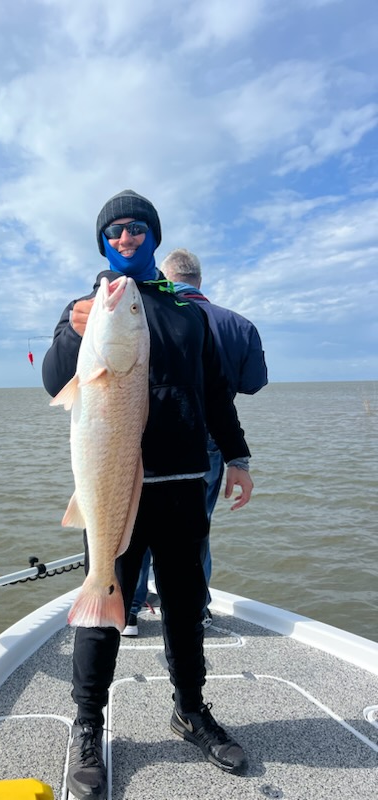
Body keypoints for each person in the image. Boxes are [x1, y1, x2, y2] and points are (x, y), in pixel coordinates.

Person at [42, 189, 254, 799]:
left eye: (137, 229)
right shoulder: (86, 309)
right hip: (112, 491)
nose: (126, 238)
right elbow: (57, 379)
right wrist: (72, 331)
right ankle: (87, 725)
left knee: (186, 607)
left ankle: (190, 709)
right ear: (104, 244)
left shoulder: (185, 310)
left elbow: (216, 391)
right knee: (103, 606)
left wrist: (235, 457)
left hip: (184, 484)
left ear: (155, 238)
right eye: (115, 232)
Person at [160, 249, 268, 626]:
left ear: (165, 275)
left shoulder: (156, 316)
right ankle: (197, 608)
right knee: (196, 526)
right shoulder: (240, 325)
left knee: (138, 519)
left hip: (157, 434)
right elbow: (253, 384)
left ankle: (131, 607)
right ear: (199, 281)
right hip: (212, 436)